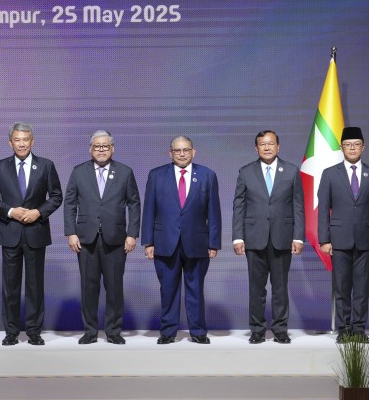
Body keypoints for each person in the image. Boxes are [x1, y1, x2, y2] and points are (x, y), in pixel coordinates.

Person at [0, 122, 63, 345]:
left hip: (36, 233)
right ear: (10, 142)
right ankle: (11, 332)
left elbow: (56, 196)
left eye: (25, 140)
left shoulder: (46, 165)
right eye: (17, 140)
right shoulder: (0, 166)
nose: (21, 144)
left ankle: (33, 331)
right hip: (10, 233)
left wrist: (38, 212)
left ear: (32, 141)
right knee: (10, 286)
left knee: (35, 285)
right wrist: (11, 211)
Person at [63, 130, 141, 345]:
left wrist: (132, 234)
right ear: (90, 149)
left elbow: (134, 204)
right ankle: (90, 331)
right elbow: (69, 204)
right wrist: (71, 232)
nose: (101, 150)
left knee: (114, 287)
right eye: (97, 146)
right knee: (89, 288)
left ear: (112, 149)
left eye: (105, 146)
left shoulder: (125, 172)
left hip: (116, 239)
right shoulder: (78, 172)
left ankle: (113, 331)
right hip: (86, 239)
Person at [141, 136, 221, 344]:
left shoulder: (207, 175)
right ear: (170, 153)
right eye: (177, 150)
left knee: (195, 289)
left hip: (197, 244)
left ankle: (198, 332)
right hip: (165, 242)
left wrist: (213, 243)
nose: (182, 154)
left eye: (186, 150)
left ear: (193, 152)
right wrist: (148, 242)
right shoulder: (156, 175)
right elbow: (149, 210)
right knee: (168, 290)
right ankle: (168, 332)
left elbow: (214, 212)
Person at [316, 127, 369, 343]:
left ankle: (358, 329)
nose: (352, 148)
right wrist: (324, 239)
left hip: (366, 239)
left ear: (363, 147)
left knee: (362, 287)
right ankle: (344, 329)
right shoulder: (330, 173)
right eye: (348, 144)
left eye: (357, 144)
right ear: (341, 147)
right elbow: (322, 209)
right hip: (338, 240)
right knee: (342, 286)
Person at [232, 130, 304, 344]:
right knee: (256, 288)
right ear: (256, 148)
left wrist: (298, 237)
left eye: (271, 143)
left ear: (278, 146)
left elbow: (298, 206)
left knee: (281, 287)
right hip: (254, 239)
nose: (267, 147)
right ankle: (257, 330)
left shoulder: (291, 171)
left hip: (282, 237)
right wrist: (238, 237)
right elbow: (239, 207)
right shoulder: (245, 172)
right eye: (262, 144)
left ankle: (280, 329)